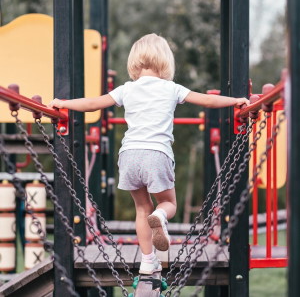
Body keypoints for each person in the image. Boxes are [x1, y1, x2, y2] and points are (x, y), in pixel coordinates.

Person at [48, 33, 249, 275]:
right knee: (167, 203)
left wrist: (63, 103)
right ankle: (161, 216)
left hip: (129, 155)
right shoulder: (171, 88)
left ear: (134, 62)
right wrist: (236, 101)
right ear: (165, 61)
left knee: (142, 209)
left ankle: (147, 261)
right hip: (157, 154)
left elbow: (93, 104)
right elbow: (207, 101)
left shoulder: (127, 89)